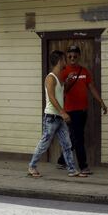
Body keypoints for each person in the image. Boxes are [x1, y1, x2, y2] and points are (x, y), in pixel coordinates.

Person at [28, 50, 87, 178]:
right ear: (60, 61)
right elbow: (51, 96)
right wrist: (63, 112)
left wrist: (68, 82)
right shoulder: (50, 78)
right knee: (44, 143)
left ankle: (72, 169)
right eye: (64, 59)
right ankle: (32, 166)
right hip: (51, 117)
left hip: (59, 118)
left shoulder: (59, 78)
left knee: (67, 144)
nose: (66, 61)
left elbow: (61, 93)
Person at [56, 45, 108, 175]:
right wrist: (68, 80)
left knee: (74, 137)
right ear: (67, 57)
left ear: (79, 56)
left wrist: (100, 101)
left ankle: (62, 160)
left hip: (82, 111)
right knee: (79, 138)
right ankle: (83, 166)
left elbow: (91, 87)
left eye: (75, 56)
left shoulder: (84, 71)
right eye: (70, 56)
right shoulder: (63, 72)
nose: (72, 58)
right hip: (69, 111)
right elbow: (62, 91)